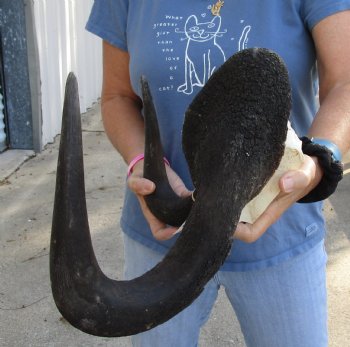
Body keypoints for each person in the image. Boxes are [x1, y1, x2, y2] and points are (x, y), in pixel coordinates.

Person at [86, 1, 350, 346]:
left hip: (280, 231)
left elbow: (344, 83)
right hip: (164, 237)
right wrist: (143, 162)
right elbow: (118, 96)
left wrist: (318, 163)